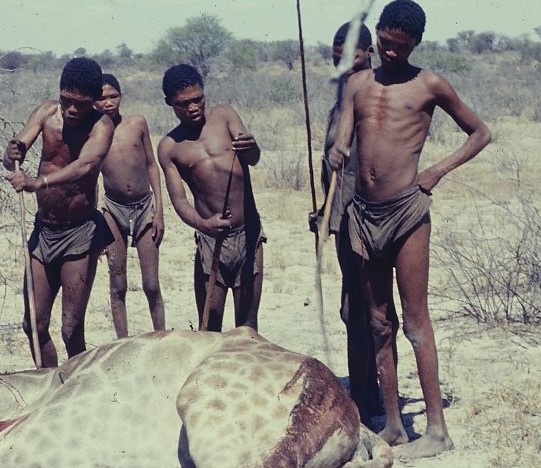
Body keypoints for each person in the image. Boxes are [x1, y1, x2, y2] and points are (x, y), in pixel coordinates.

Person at [329, 0, 491, 460]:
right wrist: (337, 153)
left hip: (406, 211)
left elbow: (480, 133)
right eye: (385, 43)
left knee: (415, 323)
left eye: (401, 47)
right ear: (378, 33)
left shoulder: (429, 84)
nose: (391, 52)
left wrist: (436, 171)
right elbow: (344, 139)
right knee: (379, 322)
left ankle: (436, 430)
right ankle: (395, 425)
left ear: (416, 43)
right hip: (363, 214)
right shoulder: (357, 84)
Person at [3, 57, 115, 368]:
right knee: (33, 325)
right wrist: (12, 153)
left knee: (70, 330)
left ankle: (77, 386)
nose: (71, 110)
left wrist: (39, 182)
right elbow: (16, 150)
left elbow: (86, 166)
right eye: (66, 100)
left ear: (94, 100)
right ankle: (51, 384)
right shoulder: (46, 112)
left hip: (79, 233)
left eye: (81, 104)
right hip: (45, 231)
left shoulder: (102, 126)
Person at [310, 21, 384, 424]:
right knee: (351, 307)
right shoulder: (342, 96)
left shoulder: (375, 91)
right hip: (340, 214)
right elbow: (334, 166)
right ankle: (365, 390)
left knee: (362, 308)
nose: (344, 63)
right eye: (337, 56)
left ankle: (367, 399)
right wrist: (324, 208)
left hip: (367, 215)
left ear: (369, 52)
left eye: (352, 55)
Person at [158, 64, 264, 332]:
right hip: (210, 241)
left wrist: (252, 147)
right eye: (183, 104)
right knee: (209, 327)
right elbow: (179, 201)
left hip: (248, 234)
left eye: (198, 99)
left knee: (247, 328)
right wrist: (204, 224)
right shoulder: (169, 147)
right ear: (169, 103)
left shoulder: (225, 115)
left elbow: (253, 159)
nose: (193, 108)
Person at [94, 73, 166, 338]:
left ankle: (161, 338)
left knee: (151, 284)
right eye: (102, 98)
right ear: (93, 102)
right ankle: (122, 342)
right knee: (118, 284)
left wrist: (159, 210)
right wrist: (95, 223)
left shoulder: (137, 123)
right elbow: (89, 176)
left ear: (121, 96)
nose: (108, 103)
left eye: (113, 96)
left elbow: (151, 165)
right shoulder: (93, 133)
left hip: (144, 208)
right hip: (112, 211)